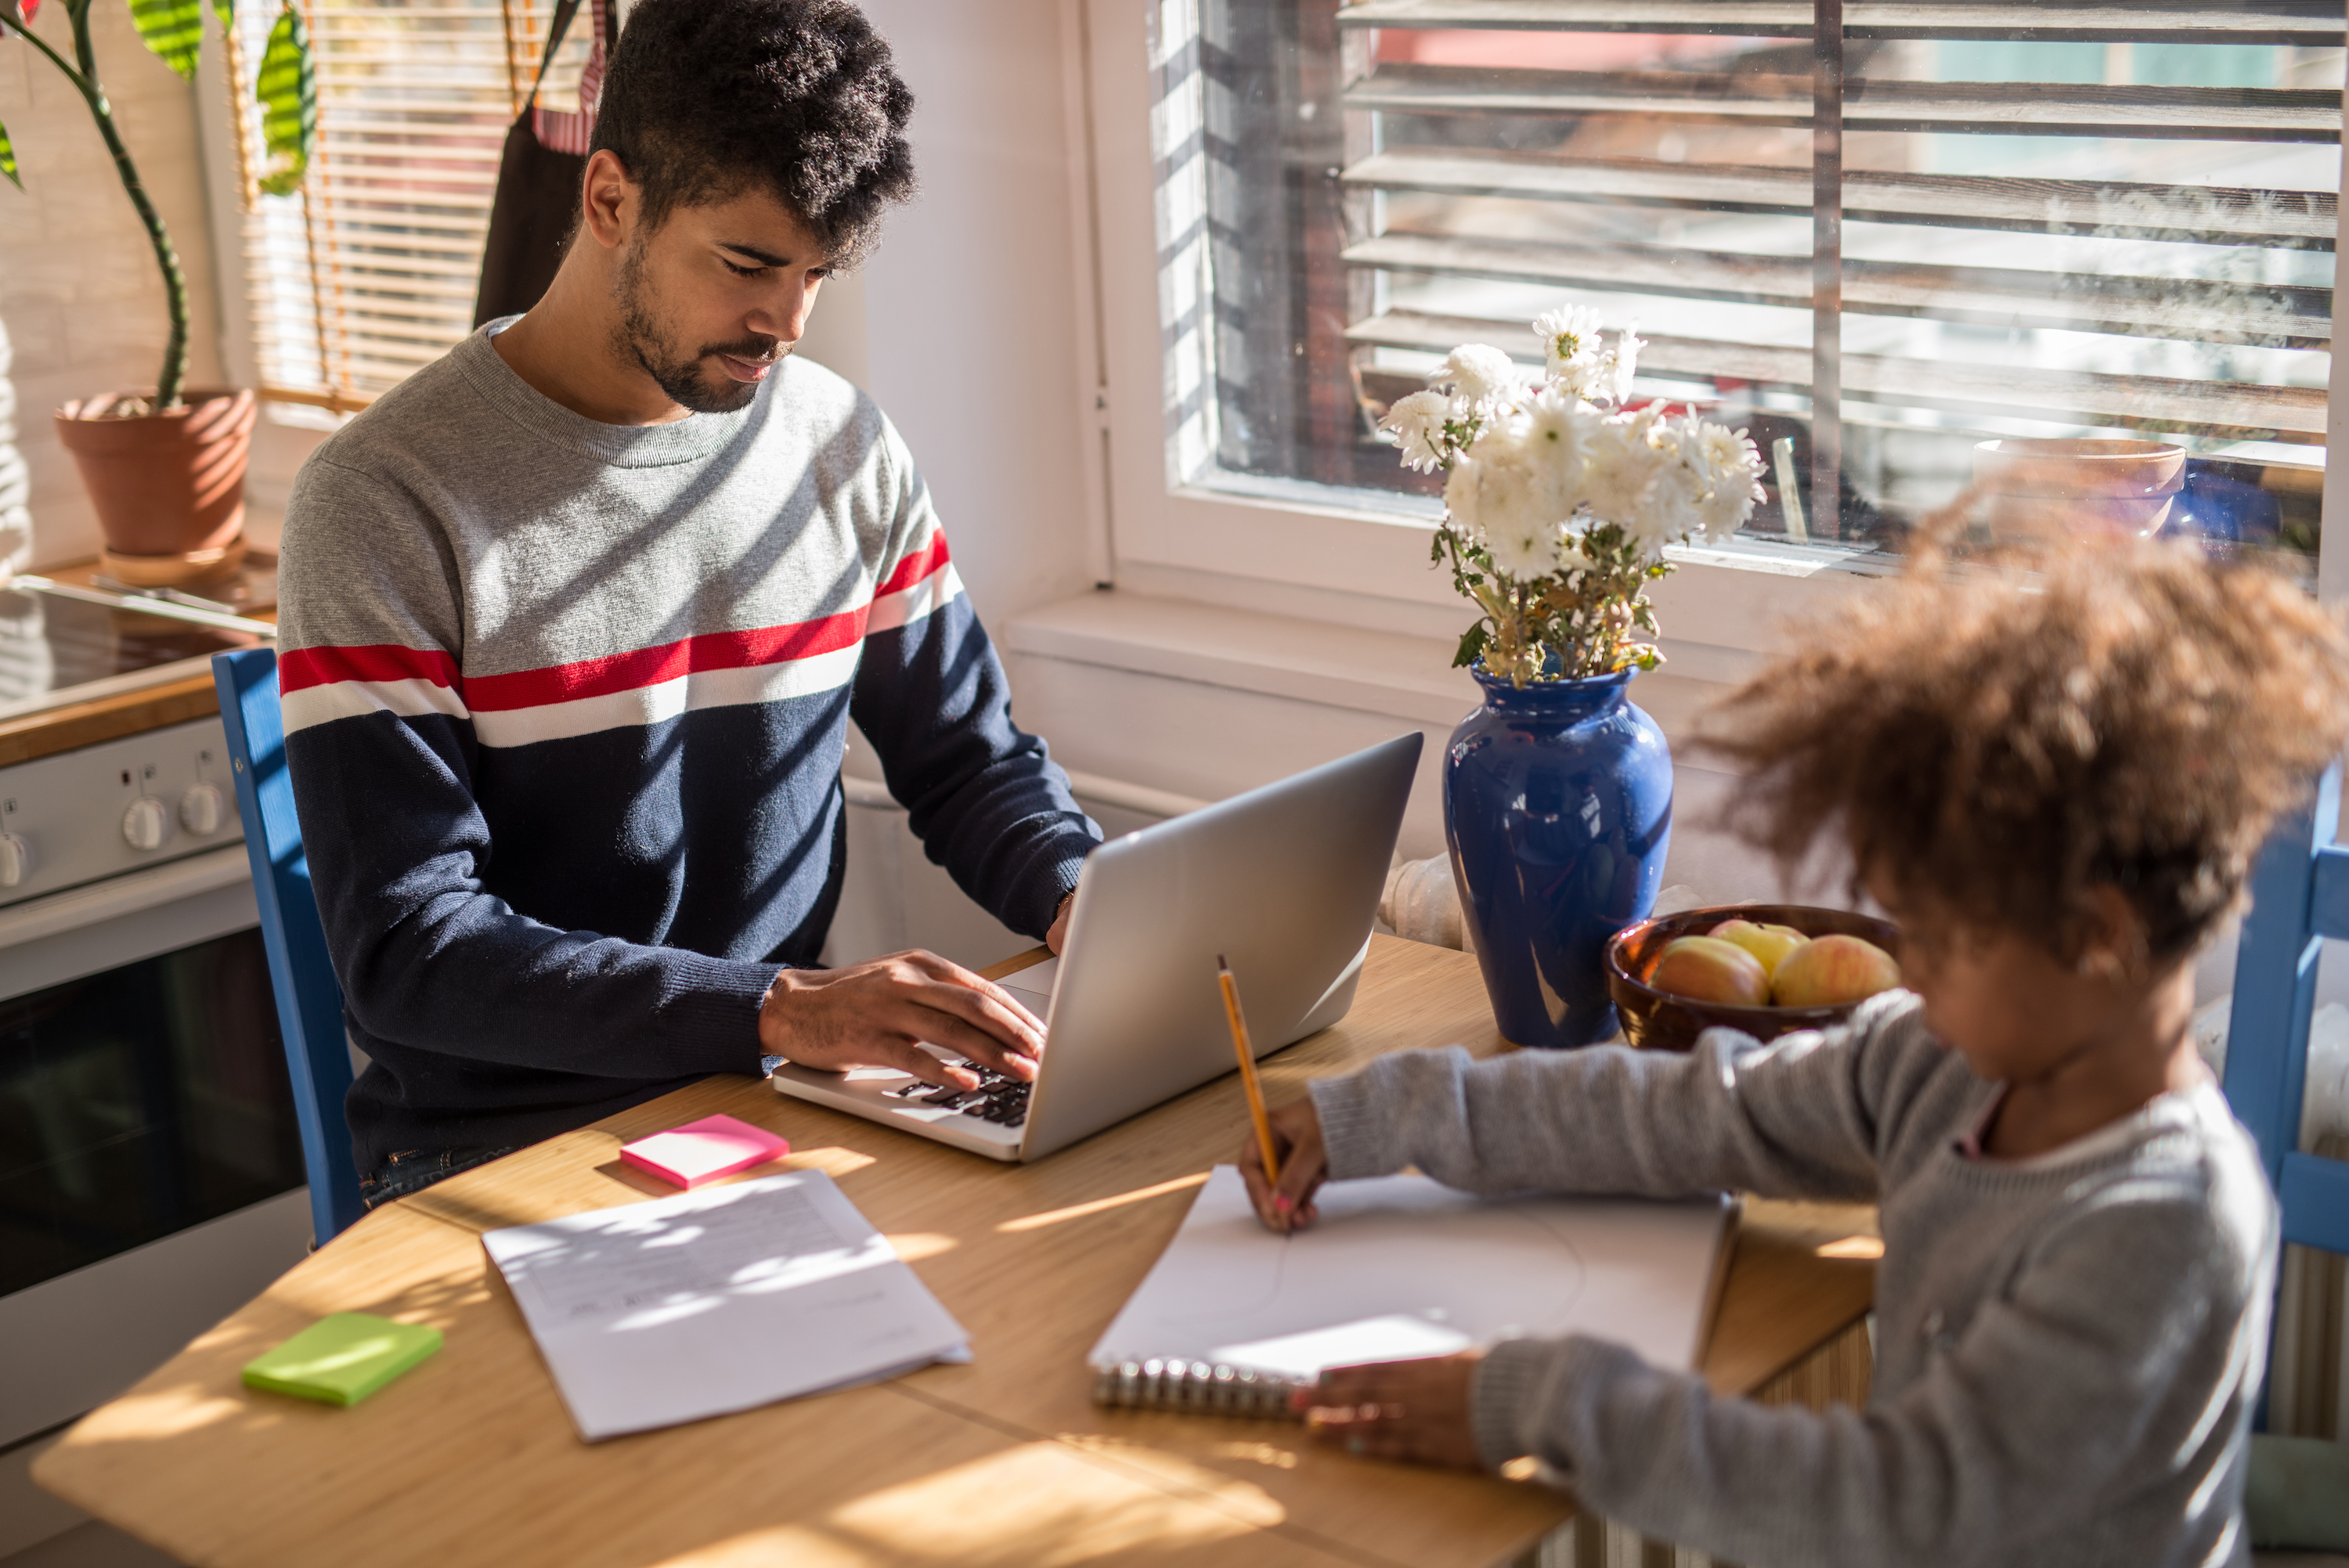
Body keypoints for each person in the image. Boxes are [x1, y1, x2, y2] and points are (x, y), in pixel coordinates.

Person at [1238, 542, 2349, 1566]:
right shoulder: (1941, 1067)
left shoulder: (2164, 1226)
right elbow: (1689, 1115)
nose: (1911, 969)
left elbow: (1896, 1508)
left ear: (2097, 939)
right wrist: (1383, 1115)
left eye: (1949, 940)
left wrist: (1547, 1399)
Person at [276, 0, 1099, 1207]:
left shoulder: (839, 447)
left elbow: (969, 763)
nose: (785, 323)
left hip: (772, 1098)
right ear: (610, 199)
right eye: (749, 265)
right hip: (505, 1142)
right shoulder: (386, 499)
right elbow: (412, 952)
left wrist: (1090, 909)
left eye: (818, 273)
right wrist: (778, 1009)